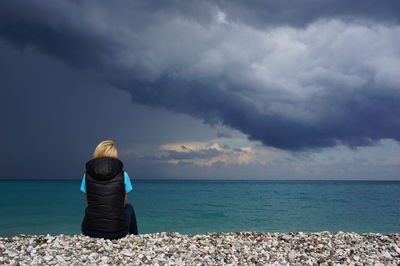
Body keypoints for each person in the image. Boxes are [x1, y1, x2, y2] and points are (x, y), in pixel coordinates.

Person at [80, 140, 138, 239]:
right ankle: (135, 236)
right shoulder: (123, 175)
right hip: (117, 232)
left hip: (91, 231)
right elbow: (122, 203)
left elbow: (89, 201)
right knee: (129, 207)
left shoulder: (87, 175)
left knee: (91, 209)